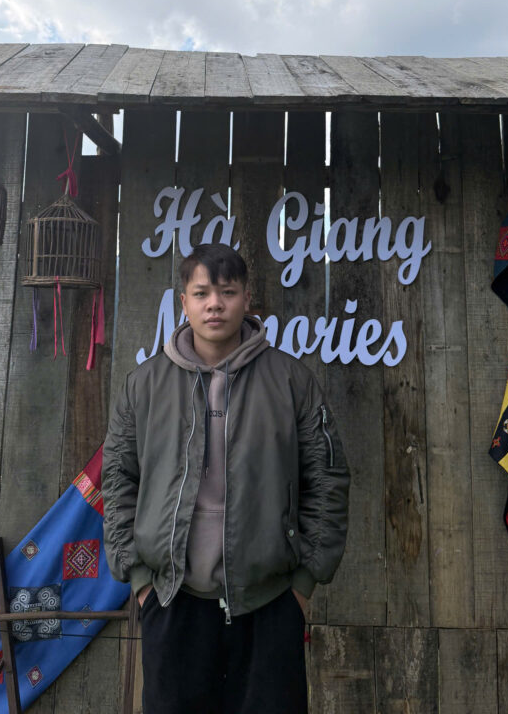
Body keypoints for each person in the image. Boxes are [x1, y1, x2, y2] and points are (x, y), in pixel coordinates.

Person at [102, 243, 350, 714]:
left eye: (227, 292)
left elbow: (328, 479)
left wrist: (302, 584)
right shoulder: (144, 385)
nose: (214, 304)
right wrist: (140, 580)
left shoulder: (291, 381)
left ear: (246, 299)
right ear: (184, 302)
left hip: (269, 601)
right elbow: (117, 481)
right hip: (171, 598)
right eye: (201, 293)